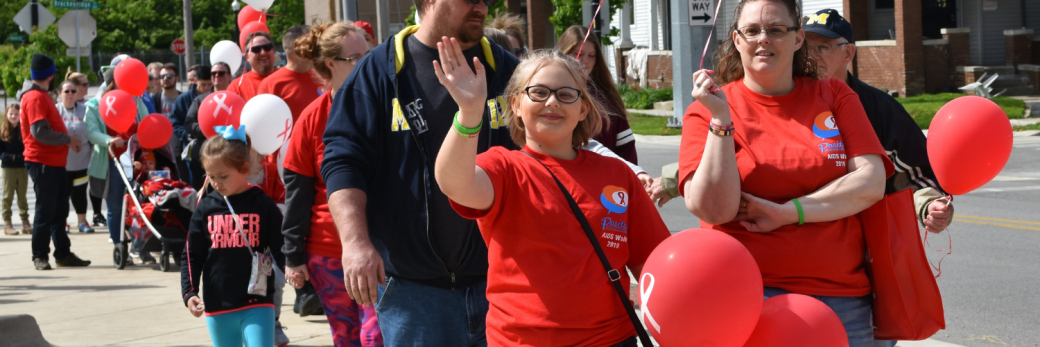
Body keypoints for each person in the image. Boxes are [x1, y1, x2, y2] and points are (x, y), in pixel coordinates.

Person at [678, 1, 894, 345]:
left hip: (841, 300)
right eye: (752, 31)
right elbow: (714, 209)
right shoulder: (706, 111)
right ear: (736, 39)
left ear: (797, 40)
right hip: (744, 297)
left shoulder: (834, 95)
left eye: (776, 30)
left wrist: (786, 213)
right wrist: (721, 121)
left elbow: (870, 183)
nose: (763, 39)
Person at [435, 46, 671, 346]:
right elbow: (454, 183)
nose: (552, 102)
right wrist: (469, 114)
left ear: (583, 108)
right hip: (523, 341)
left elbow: (654, 266)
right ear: (517, 103)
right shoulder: (504, 168)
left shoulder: (618, 175)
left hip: (612, 338)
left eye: (566, 94)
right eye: (539, 92)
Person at [320, 0, 520, 344]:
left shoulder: (509, 70)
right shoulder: (378, 71)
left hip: (503, 282)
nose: (482, 6)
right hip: (412, 293)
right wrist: (355, 242)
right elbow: (343, 162)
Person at [802, 8, 953, 233]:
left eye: (822, 47)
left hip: (863, 242)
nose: (812, 56)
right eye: (806, 48)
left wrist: (931, 205)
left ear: (848, 54)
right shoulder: (786, 100)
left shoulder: (880, 108)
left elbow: (916, 172)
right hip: (795, 233)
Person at [282, 22, 382, 347]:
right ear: (330, 64)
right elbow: (297, 193)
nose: (365, 64)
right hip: (327, 254)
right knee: (347, 338)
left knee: (376, 337)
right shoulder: (311, 118)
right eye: (355, 58)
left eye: (368, 55)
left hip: (380, 248)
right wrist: (292, 256)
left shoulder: (383, 108)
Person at [180, 128, 285, 347]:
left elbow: (281, 246)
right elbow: (192, 254)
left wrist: (295, 270)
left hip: (258, 301)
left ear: (244, 168)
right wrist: (189, 292)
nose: (216, 183)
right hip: (218, 305)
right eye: (211, 176)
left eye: (223, 176)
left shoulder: (263, 204)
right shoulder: (205, 208)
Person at [18, 53, 91, 270]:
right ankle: (40, 255)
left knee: (59, 210)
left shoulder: (39, 95)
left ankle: (62, 253)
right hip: (43, 162)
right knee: (45, 210)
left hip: (53, 162)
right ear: (50, 74)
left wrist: (67, 141)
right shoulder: (35, 97)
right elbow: (39, 132)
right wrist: (68, 139)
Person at [85, 68, 148, 246]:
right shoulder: (95, 105)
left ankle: (140, 245)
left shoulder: (135, 100)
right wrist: (110, 140)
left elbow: (146, 121)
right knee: (115, 207)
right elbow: (92, 133)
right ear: (113, 81)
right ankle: (119, 245)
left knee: (139, 204)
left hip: (136, 161)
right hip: (112, 162)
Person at [558, 25, 638, 164]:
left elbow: (626, 150)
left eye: (591, 55)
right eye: (579, 53)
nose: (585, 61)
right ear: (563, 54)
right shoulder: (550, 96)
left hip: (606, 179)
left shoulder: (608, 98)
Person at [258, 25, 321, 123]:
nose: (317, 50)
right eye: (311, 46)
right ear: (297, 50)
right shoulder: (270, 85)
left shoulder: (324, 76)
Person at [184, 63, 233, 189]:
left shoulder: (236, 99)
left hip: (231, 155)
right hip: (202, 156)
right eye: (213, 73)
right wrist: (211, 131)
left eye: (221, 73)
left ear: (230, 76)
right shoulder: (200, 100)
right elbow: (189, 124)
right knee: (202, 196)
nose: (216, 76)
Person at [57, 80, 95, 234]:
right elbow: (52, 134)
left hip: (82, 161)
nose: (70, 94)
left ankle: (82, 222)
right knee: (63, 194)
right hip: (62, 162)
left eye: (73, 91)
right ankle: (63, 222)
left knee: (80, 193)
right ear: (60, 94)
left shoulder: (85, 109)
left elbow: (91, 132)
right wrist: (68, 143)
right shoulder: (55, 110)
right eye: (67, 91)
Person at [170, 66, 213, 181]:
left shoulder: (215, 97)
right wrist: (187, 135)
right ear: (195, 81)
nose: (207, 88)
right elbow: (175, 122)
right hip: (192, 151)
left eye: (210, 84)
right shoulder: (183, 99)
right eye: (203, 84)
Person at [1, 104, 30, 236]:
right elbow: (1, 153)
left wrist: (21, 158)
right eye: (11, 114)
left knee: (22, 195)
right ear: (7, 115)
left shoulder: (24, 130)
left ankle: (25, 221)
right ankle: (7, 223)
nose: (13, 116)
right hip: (8, 168)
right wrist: (12, 157)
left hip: (22, 167)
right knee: (8, 195)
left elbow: (27, 148)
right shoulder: (2, 131)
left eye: (16, 114)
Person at [229, 31, 278, 102]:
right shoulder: (237, 87)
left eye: (267, 47)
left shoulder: (287, 79)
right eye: (256, 49)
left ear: (273, 51)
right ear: (247, 57)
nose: (263, 53)